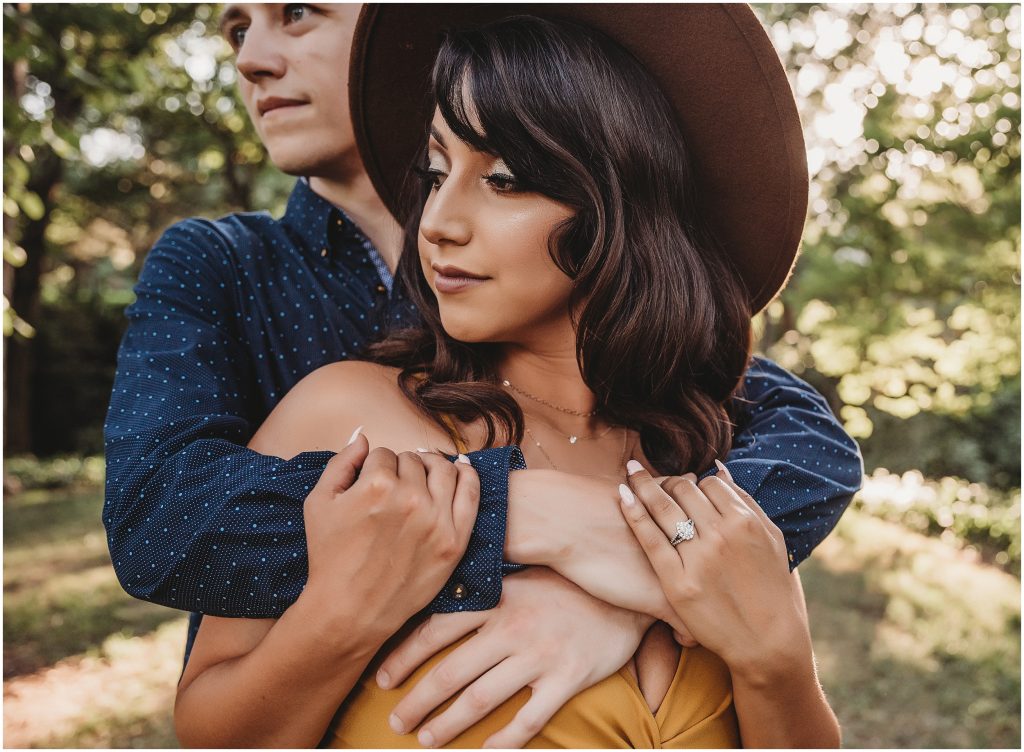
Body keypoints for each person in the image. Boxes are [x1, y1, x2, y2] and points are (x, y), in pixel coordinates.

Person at [104, 2, 860, 745]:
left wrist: (770, 656)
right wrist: (368, 595)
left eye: (502, 178)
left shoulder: (712, 468)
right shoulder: (346, 411)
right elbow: (168, 561)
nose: (435, 223)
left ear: (620, 203)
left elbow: (810, 438)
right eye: (434, 174)